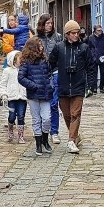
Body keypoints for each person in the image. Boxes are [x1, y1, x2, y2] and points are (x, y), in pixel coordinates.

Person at [48, 19, 93, 154]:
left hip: (78, 85)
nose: (75, 35)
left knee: (75, 113)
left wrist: (90, 85)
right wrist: (50, 76)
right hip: (63, 85)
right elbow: (51, 62)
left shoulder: (84, 48)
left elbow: (90, 67)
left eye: (77, 32)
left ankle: (71, 140)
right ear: (67, 34)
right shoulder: (59, 47)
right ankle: (75, 136)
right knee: (67, 114)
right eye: (72, 33)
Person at [17, 37, 53, 156]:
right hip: (33, 95)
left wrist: (50, 85)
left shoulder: (44, 60)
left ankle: (45, 139)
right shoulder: (26, 62)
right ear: (33, 47)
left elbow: (49, 74)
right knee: (36, 119)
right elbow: (21, 77)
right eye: (39, 45)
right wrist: (34, 86)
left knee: (47, 118)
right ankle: (38, 143)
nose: (42, 47)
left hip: (46, 93)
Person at [36, 15, 63, 144]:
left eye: (51, 23)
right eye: (47, 23)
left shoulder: (57, 37)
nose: (50, 25)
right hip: (41, 74)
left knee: (54, 103)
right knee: (42, 103)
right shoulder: (36, 39)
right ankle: (42, 131)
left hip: (55, 71)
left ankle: (54, 131)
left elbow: (61, 53)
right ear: (42, 24)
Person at [0, 50, 27, 144]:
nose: (22, 60)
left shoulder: (24, 70)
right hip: (11, 97)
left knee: (21, 116)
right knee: (12, 116)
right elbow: (3, 84)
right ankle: (10, 130)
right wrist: (4, 94)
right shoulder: (7, 71)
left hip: (22, 97)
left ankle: (20, 136)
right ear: (14, 60)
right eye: (20, 59)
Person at [89, 24, 104, 93]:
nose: (100, 32)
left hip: (102, 57)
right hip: (94, 57)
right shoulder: (91, 37)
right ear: (95, 30)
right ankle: (94, 88)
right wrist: (92, 56)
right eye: (98, 30)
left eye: (101, 30)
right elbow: (89, 48)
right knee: (94, 73)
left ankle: (101, 87)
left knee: (102, 73)